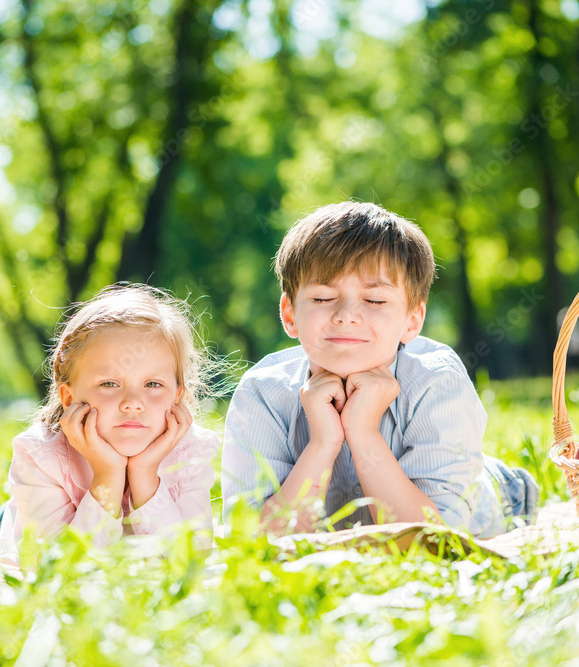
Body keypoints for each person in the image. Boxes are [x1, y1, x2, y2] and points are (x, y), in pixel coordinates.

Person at [221, 202, 538, 537]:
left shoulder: (437, 382)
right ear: (289, 314)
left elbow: (434, 542)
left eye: (374, 301)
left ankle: (506, 480)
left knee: (486, 485)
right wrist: (323, 443)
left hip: (476, 501)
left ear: (412, 321)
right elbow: (255, 542)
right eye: (323, 298)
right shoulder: (262, 392)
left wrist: (364, 433)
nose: (347, 314)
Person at [0, 284, 222, 565]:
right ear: (69, 396)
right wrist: (107, 476)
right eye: (109, 384)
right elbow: (56, 569)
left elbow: (193, 559)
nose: (133, 402)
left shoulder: (190, 453)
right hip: (4, 531)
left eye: (153, 385)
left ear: (178, 396)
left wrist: (145, 476)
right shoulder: (41, 454)